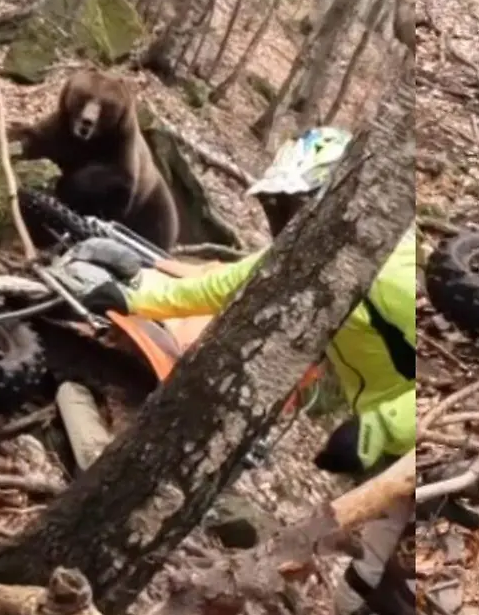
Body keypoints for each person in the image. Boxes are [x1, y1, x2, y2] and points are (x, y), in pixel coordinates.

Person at [80, 126, 416, 615]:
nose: (283, 221)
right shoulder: (318, 257)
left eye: (292, 207)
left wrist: (381, 427)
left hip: (423, 438)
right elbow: (230, 283)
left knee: (397, 576)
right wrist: (136, 296)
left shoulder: (395, 277)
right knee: (368, 583)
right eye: (277, 208)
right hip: (388, 444)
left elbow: (447, 384)